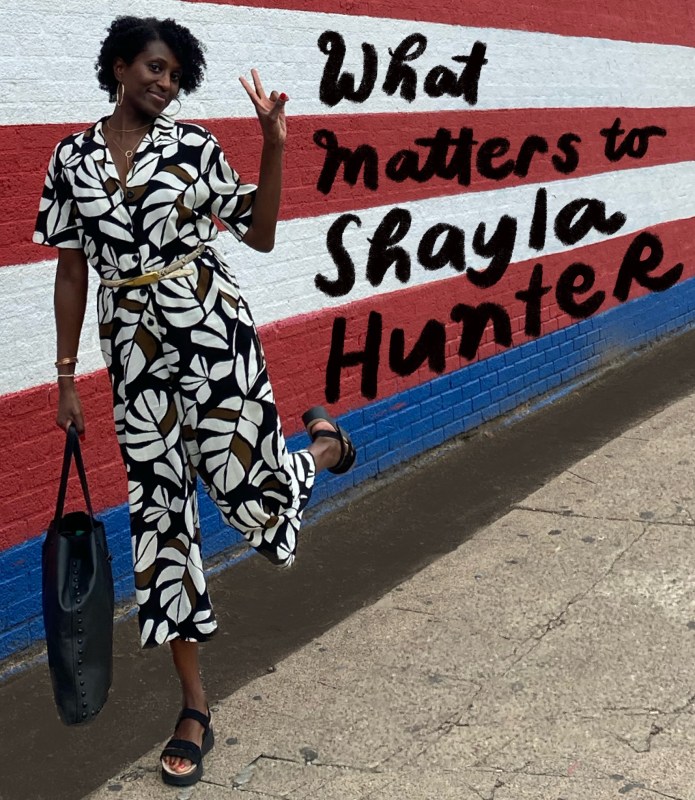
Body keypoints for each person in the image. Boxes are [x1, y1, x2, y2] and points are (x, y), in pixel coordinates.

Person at [33, 15, 356, 788]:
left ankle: (322, 450)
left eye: (175, 75)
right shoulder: (71, 159)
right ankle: (193, 707)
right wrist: (67, 375)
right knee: (161, 517)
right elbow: (72, 270)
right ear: (118, 67)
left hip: (213, 333)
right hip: (133, 354)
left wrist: (273, 146)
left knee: (251, 495)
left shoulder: (193, 148)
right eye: (154, 67)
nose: (165, 82)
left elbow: (261, 233)